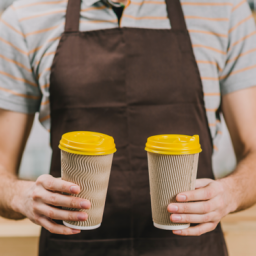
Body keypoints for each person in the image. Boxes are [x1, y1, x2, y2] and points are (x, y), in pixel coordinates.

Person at [0, 0, 256, 255]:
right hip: (74, 246)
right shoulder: (25, 19)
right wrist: (19, 196)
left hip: (189, 247)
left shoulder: (225, 10)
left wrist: (231, 192)